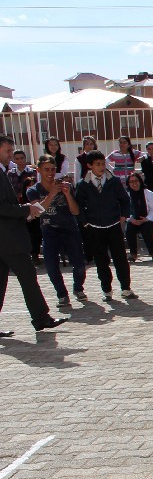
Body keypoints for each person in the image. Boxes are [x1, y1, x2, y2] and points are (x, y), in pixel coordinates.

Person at [0, 137, 67, 335]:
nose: (11, 154)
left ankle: (41, 317)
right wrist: (25, 209)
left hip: (7, 237)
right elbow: (2, 207)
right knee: (28, 278)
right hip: (8, 238)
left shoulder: (3, 172)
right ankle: (41, 318)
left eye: (12, 150)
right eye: (8, 151)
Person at [73, 150, 136, 301]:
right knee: (101, 261)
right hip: (95, 228)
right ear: (89, 166)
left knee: (120, 258)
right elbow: (78, 206)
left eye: (103, 164)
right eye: (98, 164)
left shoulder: (113, 181)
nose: (101, 167)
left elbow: (124, 200)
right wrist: (85, 222)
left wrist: (123, 216)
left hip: (113, 225)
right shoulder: (83, 184)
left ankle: (126, 288)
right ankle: (107, 290)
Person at [28, 155, 87, 308]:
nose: (50, 173)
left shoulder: (66, 186)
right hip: (49, 230)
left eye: (53, 169)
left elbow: (75, 211)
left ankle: (78, 288)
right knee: (51, 265)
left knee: (79, 264)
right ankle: (62, 294)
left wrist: (67, 194)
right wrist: (53, 193)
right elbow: (38, 211)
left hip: (69, 228)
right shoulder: (33, 190)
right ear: (39, 170)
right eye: (46, 169)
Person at [124, 172, 153, 264]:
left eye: (136, 181)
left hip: (147, 219)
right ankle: (133, 254)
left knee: (147, 230)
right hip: (133, 220)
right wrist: (131, 220)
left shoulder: (149, 193)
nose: (134, 183)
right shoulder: (126, 195)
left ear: (140, 181)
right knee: (129, 230)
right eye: (131, 182)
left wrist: (147, 218)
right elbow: (124, 211)